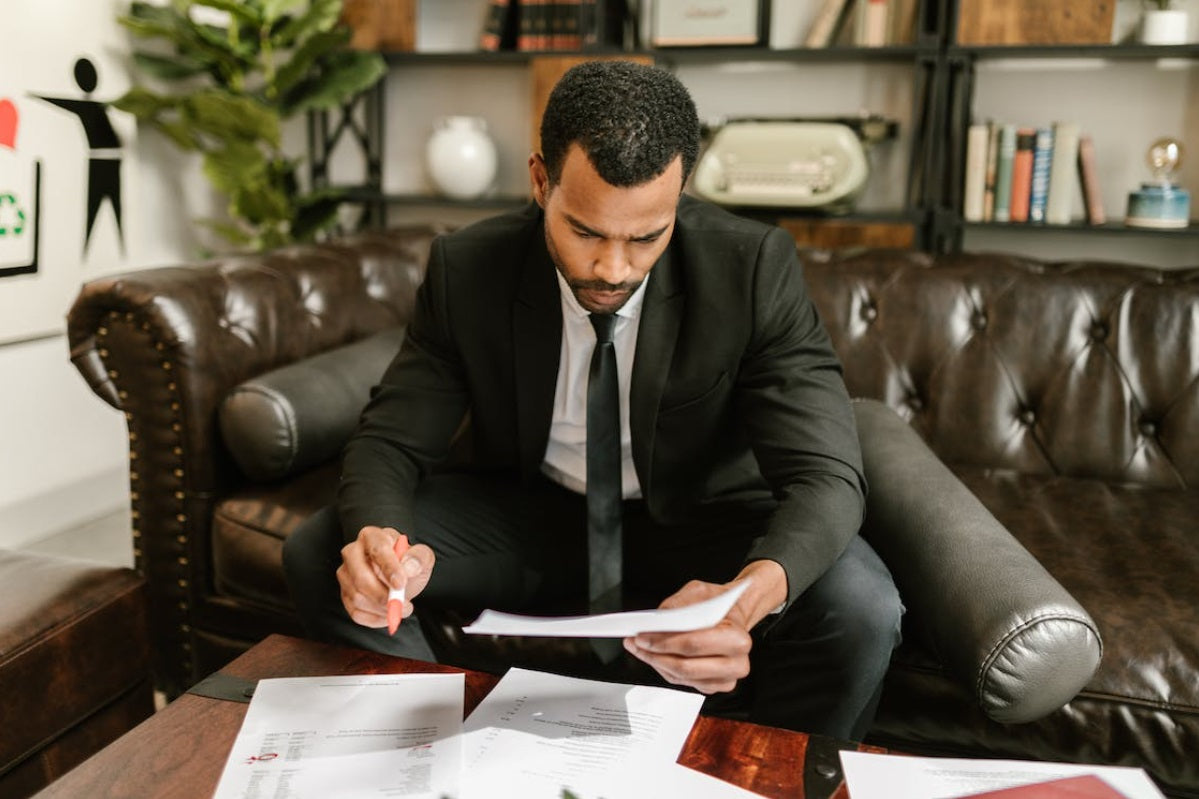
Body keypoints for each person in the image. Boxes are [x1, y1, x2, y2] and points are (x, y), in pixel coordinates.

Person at [284, 60, 902, 741]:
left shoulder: (752, 266)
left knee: (862, 605)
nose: (613, 268)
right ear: (540, 180)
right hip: (534, 514)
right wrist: (381, 542)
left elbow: (825, 473)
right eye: (585, 232)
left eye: (645, 236)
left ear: (681, 191)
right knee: (325, 550)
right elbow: (392, 439)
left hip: (698, 523)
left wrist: (741, 599)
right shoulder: (467, 267)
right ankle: (431, 760)